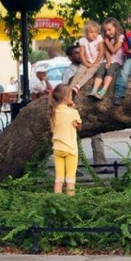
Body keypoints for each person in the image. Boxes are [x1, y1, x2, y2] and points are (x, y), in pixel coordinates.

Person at [63, 46, 111, 174]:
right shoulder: (69, 71)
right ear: (70, 57)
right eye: (76, 53)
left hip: (90, 107)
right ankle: (74, 167)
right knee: (75, 138)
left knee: (97, 136)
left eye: (81, 52)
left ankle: (100, 165)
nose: (80, 55)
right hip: (76, 107)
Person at [49, 84, 82, 196]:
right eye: (71, 96)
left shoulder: (53, 111)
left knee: (59, 179)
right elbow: (79, 127)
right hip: (70, 149)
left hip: (57, 148)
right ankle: (70, 205)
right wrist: (73, 109)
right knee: (70, 180)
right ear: (65, 98)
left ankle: (57, 202)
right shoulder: (73, 113)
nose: (72, 98)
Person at [89, 18, 124, 100]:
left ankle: (103, 90)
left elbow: (114, 50)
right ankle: (94, 90)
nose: (108, 32)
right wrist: (108, 62)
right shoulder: (106, 39)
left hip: (117, 60)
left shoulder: (120, 37)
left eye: (110, 29)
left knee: (110, 70)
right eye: (105, 31)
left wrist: (106, 42)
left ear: (116, 28)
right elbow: (107, 52)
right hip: (108, 60)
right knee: (100, 69)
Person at [70, 21, 104, 94]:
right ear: (86, 33)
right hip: (87, 62)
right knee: (80, 71)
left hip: (97, 62)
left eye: (96, 32)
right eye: (91, 32)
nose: (94, 34)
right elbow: (82, 53)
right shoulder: (83, 40)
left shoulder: (99, 38)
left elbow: (101, 51)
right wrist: (86, 63)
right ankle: (70, 88)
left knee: (90, 72)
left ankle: (78, 86)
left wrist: (96, 63)